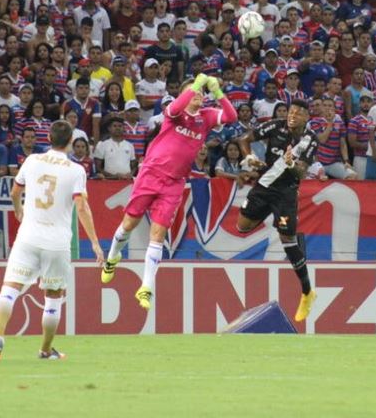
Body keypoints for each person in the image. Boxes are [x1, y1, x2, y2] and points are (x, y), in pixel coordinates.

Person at [100, 74, 236, 310]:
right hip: (150, 174)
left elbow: (232, 116)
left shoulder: (206, 117)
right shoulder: (174, 114)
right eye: (194, 93)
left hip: (174, 183)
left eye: (201, 94)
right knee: (129, 224)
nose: (198, 95)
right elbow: (174, 107)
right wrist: (193, 86)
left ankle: (146, 287)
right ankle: (112, 258)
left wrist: (217, 93)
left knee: (159, 233)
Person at [0, 120, 103, 362]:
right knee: (53, 297)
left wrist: (18, 211)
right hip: (57, 243)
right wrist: (94, 242)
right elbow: (81, 206)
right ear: (71, 142)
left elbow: (15, 192)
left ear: (48, 138)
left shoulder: (31, 161)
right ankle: (45, 350)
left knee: (10, 289)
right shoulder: (76, 170)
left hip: (28, 236)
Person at [236, 100, 319, 322]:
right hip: (264, 186)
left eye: (298, 113)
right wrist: (249, 157)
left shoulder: (309, 139)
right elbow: (244, 139)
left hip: (286, 193)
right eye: (291, 112)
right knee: (241, 227)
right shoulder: (276, 126)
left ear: (306, 118)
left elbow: (301, 173)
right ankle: (284, 225)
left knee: (286, 239)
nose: (292, 116)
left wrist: (291, 163)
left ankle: (307, 291)